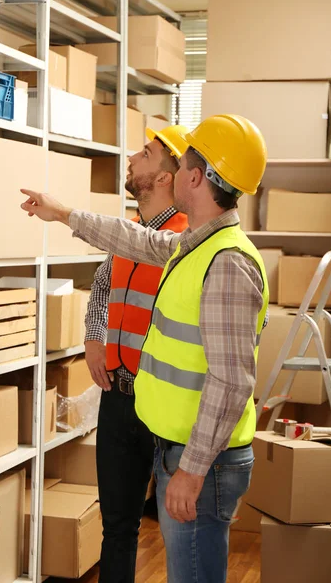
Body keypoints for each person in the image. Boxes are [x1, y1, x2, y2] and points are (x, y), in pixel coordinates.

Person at [21, 113, 269, 583]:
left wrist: (192, 471)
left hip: (204, 460)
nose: (174, 173)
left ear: (194, 178)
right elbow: (131, 239)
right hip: (178, 444)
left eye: (184, 162)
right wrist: (63, 213)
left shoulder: (227, 263)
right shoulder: (192, 246)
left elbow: (233, 381)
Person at [84, 125, 189, 583]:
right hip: (119, 394)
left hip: (165, 401)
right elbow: (105, 282)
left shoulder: (185, 238)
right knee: (118, 527)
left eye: (145, 153)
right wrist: (93, 335)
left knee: (179, 530)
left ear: (165, 177)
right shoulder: (132, 231)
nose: (132, 157)